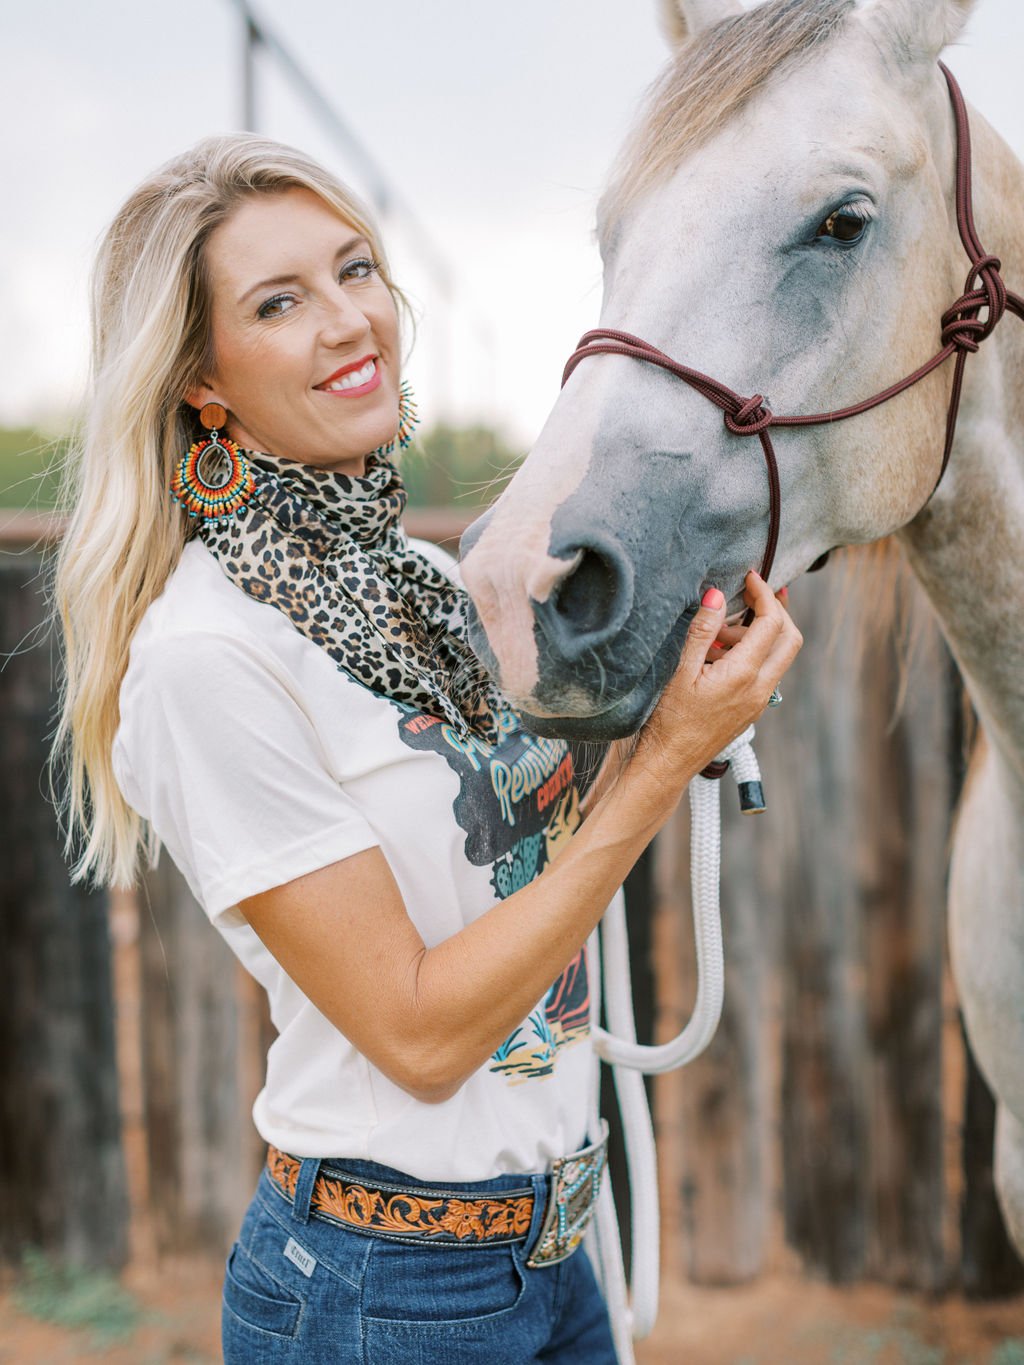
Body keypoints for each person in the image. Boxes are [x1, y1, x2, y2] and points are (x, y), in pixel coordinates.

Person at [50, 133, 801, 1364]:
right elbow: (419, 1034)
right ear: (202, 377)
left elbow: (528, 864)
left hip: (557, 1256)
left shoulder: (423, 582)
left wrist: (682, 687)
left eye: (356, 270)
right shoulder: (207, 658)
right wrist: (662, 764)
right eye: (279, 302)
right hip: (381, 1293)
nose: (350, 322)